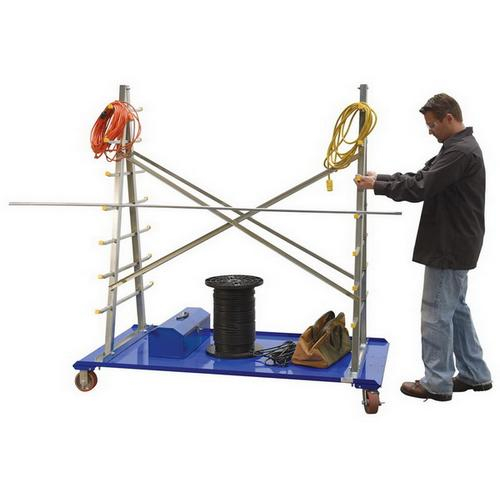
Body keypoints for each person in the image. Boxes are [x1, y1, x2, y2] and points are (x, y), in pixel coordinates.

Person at [355, 93, 492, 402]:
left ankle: (437, 382)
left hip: (449, 245)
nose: (429, 131)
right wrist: (381, 179)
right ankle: (475, 373)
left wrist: (378, 186)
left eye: (432, 124)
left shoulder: (460, 152)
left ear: (449, 118)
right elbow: (422, 177)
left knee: (435, 314)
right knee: (455, 311)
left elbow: (421, 187)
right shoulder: (456, 147)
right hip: (457, 242)